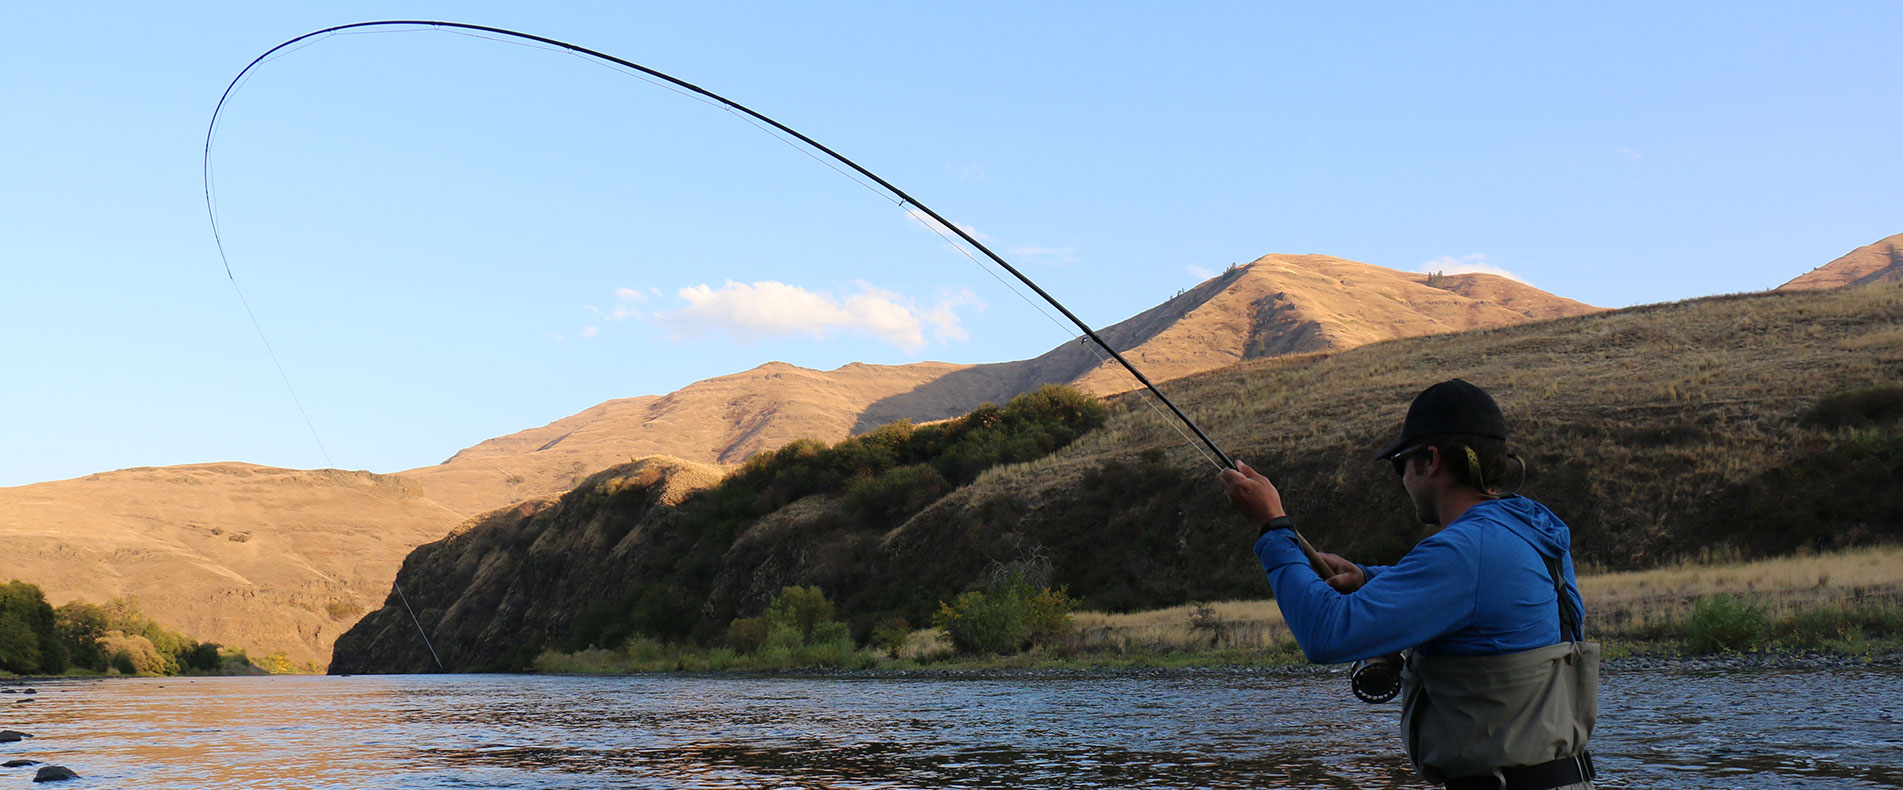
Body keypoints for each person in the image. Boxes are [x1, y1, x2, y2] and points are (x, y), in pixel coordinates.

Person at [1220, 378, 1599, 790]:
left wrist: (1272, 528)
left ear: (1431, 460)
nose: (1401, 478)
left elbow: (1325, 635)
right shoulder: (1531, 531)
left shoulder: (1467, 550)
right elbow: (1488, 597)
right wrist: (1369, 579)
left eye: (1401, 463)